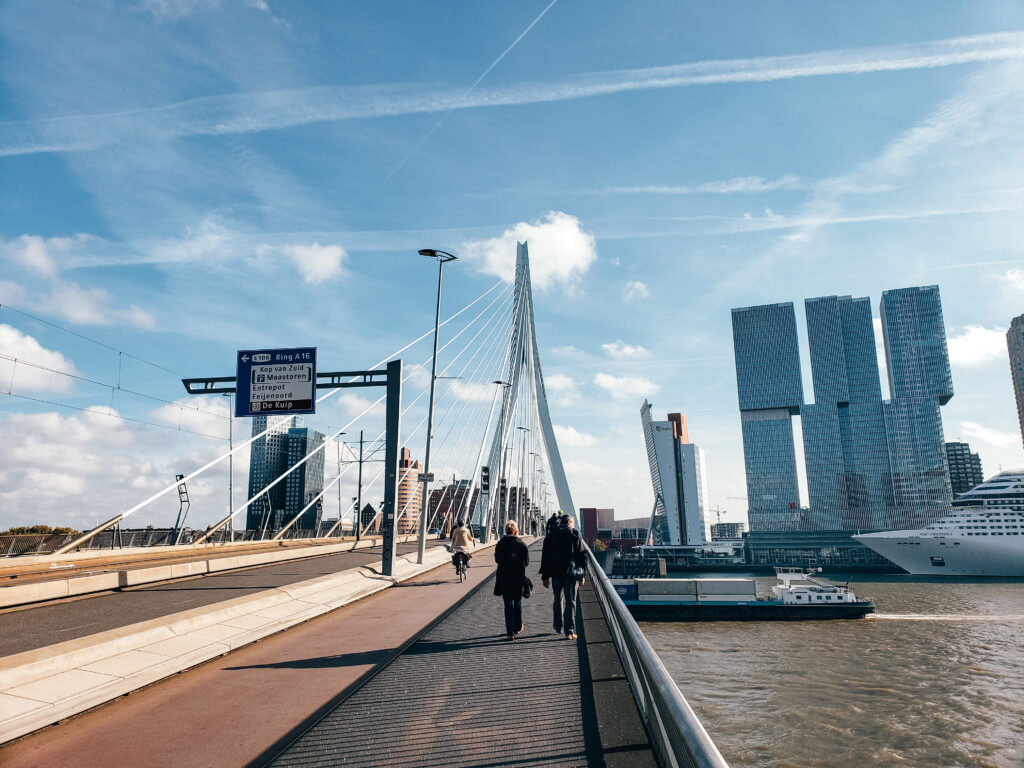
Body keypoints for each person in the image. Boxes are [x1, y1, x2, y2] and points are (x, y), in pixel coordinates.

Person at [539, 514, 586, 640]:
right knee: (570, 601)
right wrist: (583, 575)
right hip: (571, 573)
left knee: (557, 598)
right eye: (573, 523)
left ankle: (558, 626)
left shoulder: (551, 535)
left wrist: (545, 576)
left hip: (556, 573)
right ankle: (569, 631)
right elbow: (582, 555)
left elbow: (545, 557)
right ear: (570, 522)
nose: (574, 526)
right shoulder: (574, 535)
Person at [494, 520, 530, 641]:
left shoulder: (500, 544)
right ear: (516, 531)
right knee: (518, 601)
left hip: (504, 577)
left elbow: (497, 559)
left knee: (508, 603)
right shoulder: (521, 544)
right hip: (518, 577)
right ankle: (518, 626)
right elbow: (527, 562)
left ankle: (510, 633)